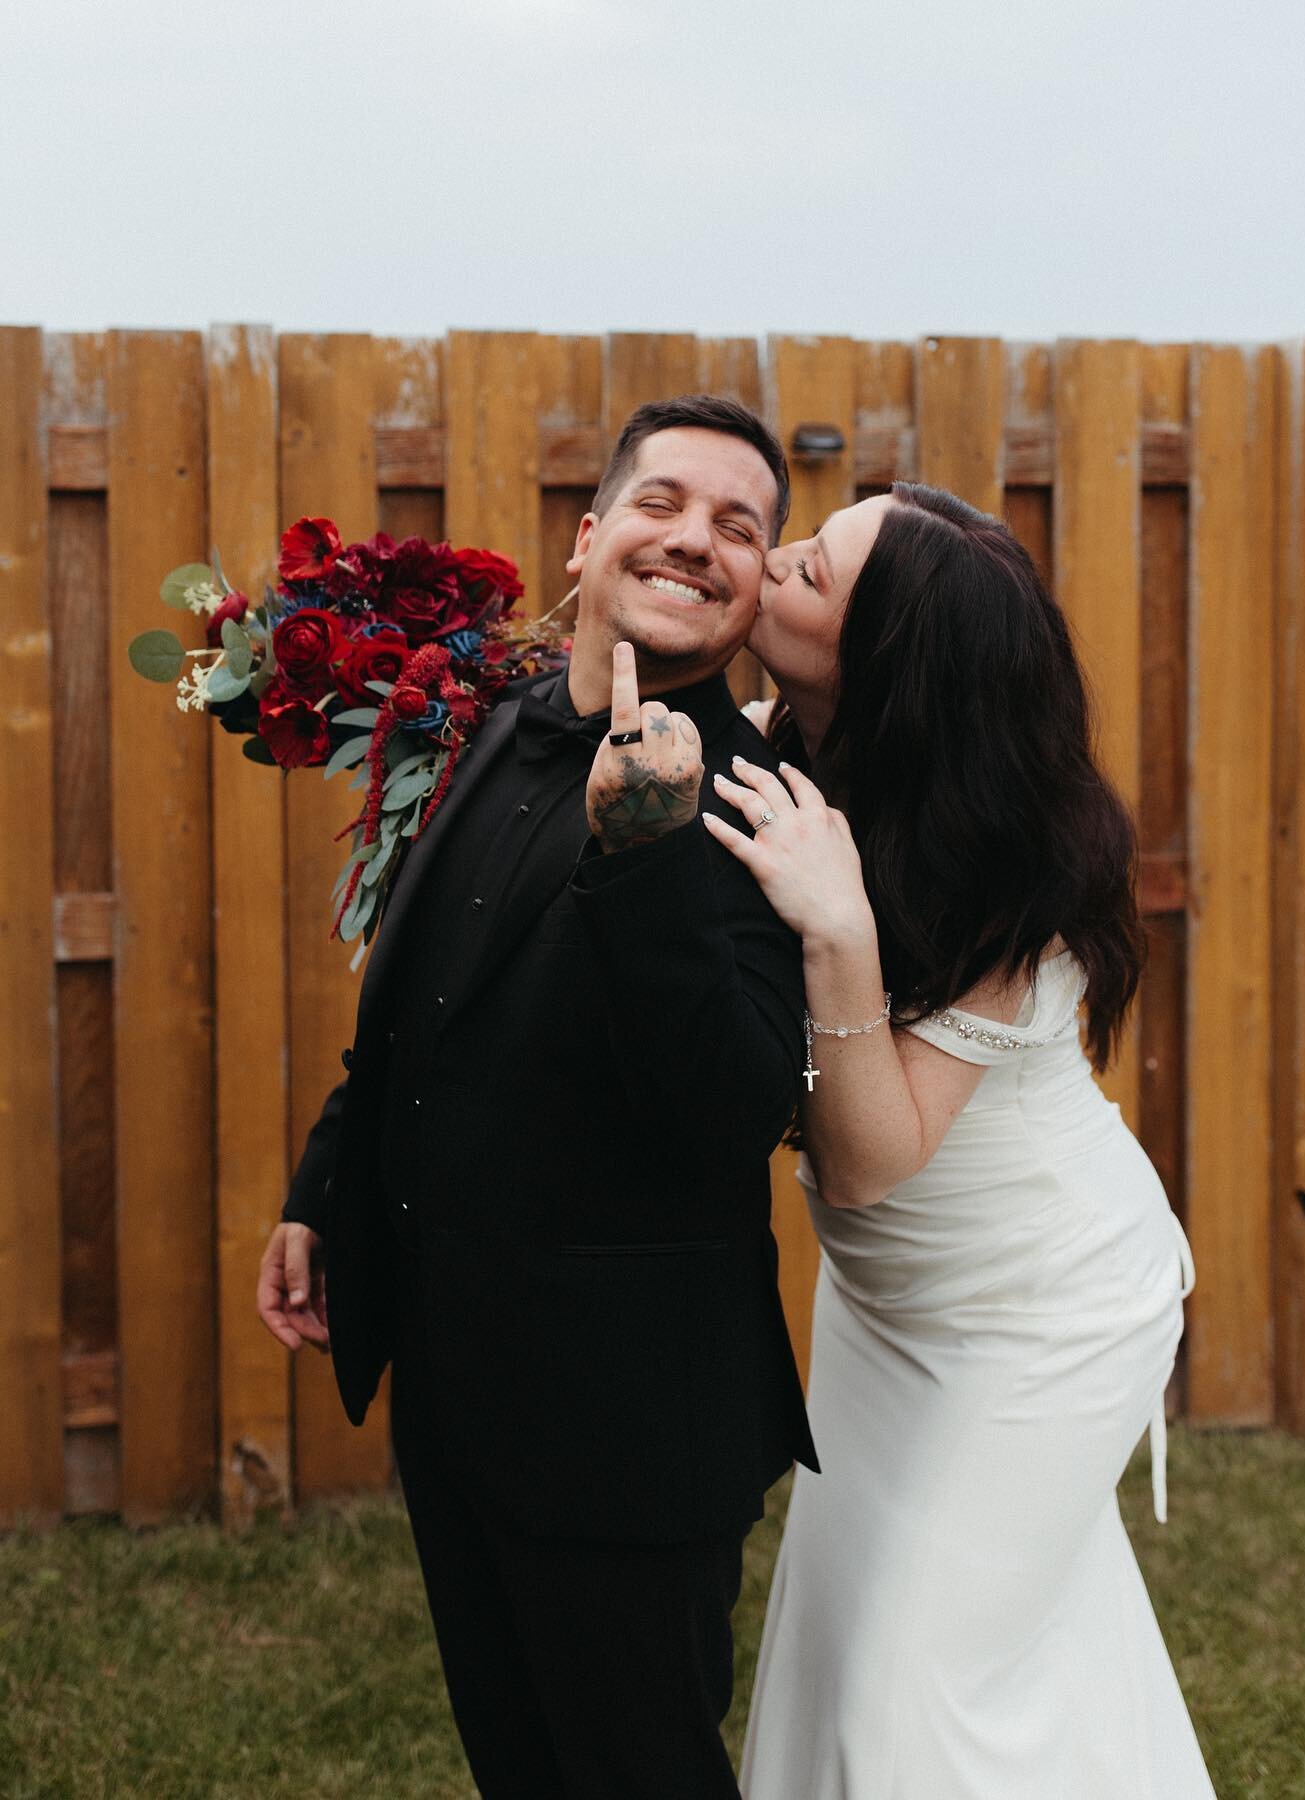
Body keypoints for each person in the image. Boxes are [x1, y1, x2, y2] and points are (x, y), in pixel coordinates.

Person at [256, 395, 818, 1800]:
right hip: (454, 1386)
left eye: (738, 529)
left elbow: (737, 1108)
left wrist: (642, 851)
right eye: (664, 504)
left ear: (754, 590)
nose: (696, 542)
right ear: (588, 539)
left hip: (627, 1430)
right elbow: (427, 1003)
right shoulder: (486, 725)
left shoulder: (764, 808)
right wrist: (326, 1189)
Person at [705, 485, 1216, 1797]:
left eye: (811, 572)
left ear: (886, 666)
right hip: (893, 1312)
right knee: (858, 1634)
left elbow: (873, 1159)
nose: (776, 563)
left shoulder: (1012, 860)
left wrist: (841, 935)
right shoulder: (776, 747)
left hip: (1048, 1311)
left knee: (912, 1670)